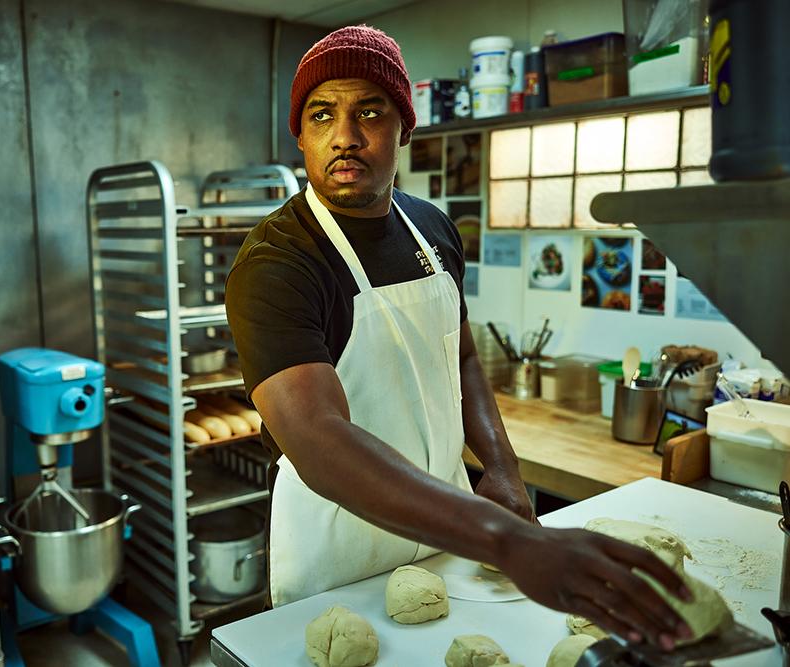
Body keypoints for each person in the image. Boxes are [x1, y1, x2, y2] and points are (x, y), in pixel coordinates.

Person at [225, 25, 692, 649]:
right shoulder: (277, 261)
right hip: (340, 553)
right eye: (322, 115)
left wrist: (500, 467)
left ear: (404, 128)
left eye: (370, 111)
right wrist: (508, 540)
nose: (345, 136)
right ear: (301, 134)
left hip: (448, 537)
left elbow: (462, 352)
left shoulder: (432, 228)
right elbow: (317, 440)